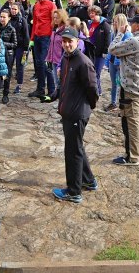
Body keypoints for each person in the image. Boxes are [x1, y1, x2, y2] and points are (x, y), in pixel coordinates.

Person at [42, 28, 98, 203]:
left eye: (70, 41)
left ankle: (74, 191)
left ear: (77, 41)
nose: (66, 44)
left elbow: (92, 89)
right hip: (68, 111)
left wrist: (88, 106)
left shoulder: (83, 62)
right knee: (77, 147)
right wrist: (54, 95)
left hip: (77, 114)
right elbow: (64, 84)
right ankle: (88, 181)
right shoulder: (66, 58)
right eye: (64, 41)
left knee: (72, 152)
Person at [108, 14, 139, 166]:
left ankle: (132, 157)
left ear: (137, 26)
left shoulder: (134, 41)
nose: (130, 25)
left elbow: (112, 49)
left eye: (132, 23)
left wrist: (120, 33)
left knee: (132, 121)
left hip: (131, 87)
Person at [28, 0, 56, 100]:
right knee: (38, 64)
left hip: (46, 37)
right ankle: (40, 89)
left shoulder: (51, 5)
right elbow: (34, 23)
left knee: (46, 63)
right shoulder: (36, 6)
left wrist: (53, 36)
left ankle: (51, 90)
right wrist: (32, 39)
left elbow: (55, 21)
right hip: (37, 37)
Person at [104, 14, 132, 112]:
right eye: (114, 21)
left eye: (116, 21)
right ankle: (113, 103)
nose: (114, 23)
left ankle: (123, 106)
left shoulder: (128, 35)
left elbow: (126, 51)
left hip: (121, 64)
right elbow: (110, 48)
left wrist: (121, 63)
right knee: (114, 84)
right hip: (112, 62)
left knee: (122, 85)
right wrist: (107, 62)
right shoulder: (114, 33)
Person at [86, 5, 111, 96]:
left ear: (98, 13)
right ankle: (95, 90)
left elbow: (108, 41)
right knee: (91, 73)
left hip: (100, 54)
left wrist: (105, 52)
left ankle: (97, 92)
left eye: (93, 13)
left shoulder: (105, 25)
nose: (91, 15)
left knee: (96, 73)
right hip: (90, 53)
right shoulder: (89, 24)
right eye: (90, 13)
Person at [46, 9, 69, 88]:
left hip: (61, 61)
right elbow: (51, 45)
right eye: (54, 17)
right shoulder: (54, 29)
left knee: (62, 83)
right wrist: (49, 58)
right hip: (53, 60)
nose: (55, 19)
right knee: (57, 83)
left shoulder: (65, 30)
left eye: (57, 18)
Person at [0, 9, 17, 104]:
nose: (2, 19)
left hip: (8, 55)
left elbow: (14, 44)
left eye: (4, 17)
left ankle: (5, 94)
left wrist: (2, 43)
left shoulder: (12, 29)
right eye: (1, 17)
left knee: (6, 75)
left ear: (9, 18)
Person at [10, 3, 29, 95]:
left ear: (19, 10)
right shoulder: (9, 19)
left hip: (20, 47)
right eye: (12, 9)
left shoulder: (23, 20)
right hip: (10, 46)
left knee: (19, 66)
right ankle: (5, 82)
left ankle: (19, 85)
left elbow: (26, 36)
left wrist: (26, 49)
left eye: (15, 9)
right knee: (8, 65)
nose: (13, 11)